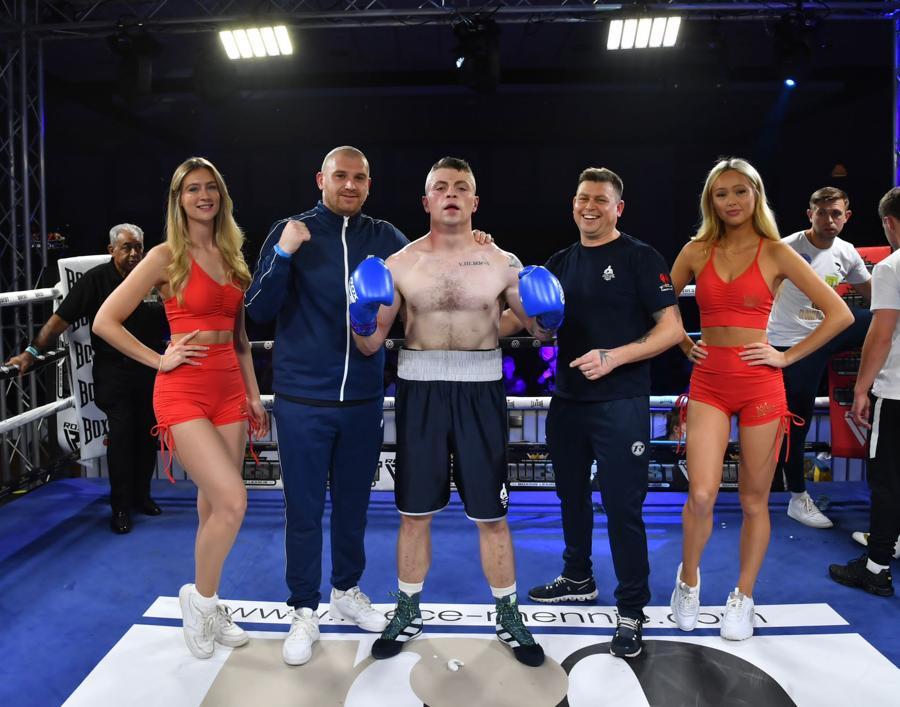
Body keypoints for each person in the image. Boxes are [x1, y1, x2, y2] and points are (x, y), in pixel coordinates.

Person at [244, 146, 492, 666]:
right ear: (321, 180)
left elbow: (434, 266)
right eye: (341, 176)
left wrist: (477, 244)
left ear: (369, 185)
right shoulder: (291, 230)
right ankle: (303, 608)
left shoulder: (385, 239)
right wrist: (284, 254)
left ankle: (346, 590)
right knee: (304, 508)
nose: (350, 185)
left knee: (354, 503)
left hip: (362, 397)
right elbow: (259, 310)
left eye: (359, 178)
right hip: (303, 397)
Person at [350, 156, 562, 667]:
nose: (451, 194)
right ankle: (407, 610)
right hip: (420, 390)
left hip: (480, 391)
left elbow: (540, 333)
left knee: (492, 514)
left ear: (474, 201)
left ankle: (508, 615)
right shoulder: (400, 264)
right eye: (441, 187)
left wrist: (551, 318)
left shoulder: (501, 262)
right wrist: (361, 317)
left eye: (461, 187)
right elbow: (370, 345)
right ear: (426, 201)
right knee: (413, 513)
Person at [669, 158, 852, 641]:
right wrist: (685, 344)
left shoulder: (776, 252)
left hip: (761, 387)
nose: (731, 201)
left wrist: (786, 357)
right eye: (721, 193)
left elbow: (839, 314)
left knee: (754, 500)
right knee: (701, 494)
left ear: (756, 195)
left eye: (740, 191)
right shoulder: (695, 250)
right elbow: (660, 307)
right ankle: (688, 580)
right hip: (709, 383)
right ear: (710, 201)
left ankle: (743, 596)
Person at [93, 157, 268, 659]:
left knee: (213, 504)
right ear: (179, 199)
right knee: (233, 502)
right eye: (193, 189)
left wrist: (253, 393)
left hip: (230, 388)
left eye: (211, 187)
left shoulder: (233, 256)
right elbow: (105, 320)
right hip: (183, 389)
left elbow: (239, 339)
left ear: (222, 196)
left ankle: (207, 602)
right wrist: (159, 359)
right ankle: (200, 600)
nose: (203, 195)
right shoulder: (165, 256)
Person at [523, 167, 683, 660]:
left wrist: (614, 357)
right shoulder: (560, 262)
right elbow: (540, 330)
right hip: (568, 399)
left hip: (621, 402)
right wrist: (538, 323)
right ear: (573, 204)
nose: (589, 207)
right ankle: (577, 576)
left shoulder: (640, 257)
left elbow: (672, 330)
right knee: (570, 496)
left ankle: (631, 608)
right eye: (582, 198)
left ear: (618, 208)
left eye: (599, 199)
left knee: (622, 507)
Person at [5, 224, 165, 534]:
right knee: (121, 436)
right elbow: (59, 320)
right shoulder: (96, 280)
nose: (134, 253)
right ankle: (120, 507)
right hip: (114, 372)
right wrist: (30, 353)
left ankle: (142, 496)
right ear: (111, 250)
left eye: (138, 247)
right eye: (127, 247)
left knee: (148, 435)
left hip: (149, 370)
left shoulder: (150, 280)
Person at [768, 187, 872, 529]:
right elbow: (757, 295)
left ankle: (887, 381)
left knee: (884, 320)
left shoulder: (847, 252)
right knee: (797, 423)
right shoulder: (785, 249)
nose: (829, 219)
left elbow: (876, 297)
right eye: (822, 212)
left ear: (847, 216)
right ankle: (797, 498)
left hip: (828, 333)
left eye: (836, 213)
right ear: (809, 214)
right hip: (791, 344)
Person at [829, 186, 900, 597]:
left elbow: (881, 334)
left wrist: (861, 388)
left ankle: (876, 568)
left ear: (889, 223)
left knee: (888, 481)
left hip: (898, 393)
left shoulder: (892, 267)